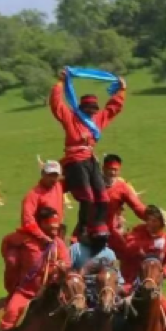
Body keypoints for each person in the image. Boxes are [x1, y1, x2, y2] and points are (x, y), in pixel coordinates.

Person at [50, 69, 127, 240]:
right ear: (82, 108)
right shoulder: (71, 118)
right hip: (75, 161)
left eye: (94, 109)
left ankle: (98, 227)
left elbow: (112, 109)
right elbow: (56, 104)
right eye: (89, 108)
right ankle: (82, 230)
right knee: (87, 198)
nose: (92, 111)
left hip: (90, 160)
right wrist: (60, 83)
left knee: (103, 197)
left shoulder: (97, 120)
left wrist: (121, 90)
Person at [0, 206, 71, 331]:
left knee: (72, 311)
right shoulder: (23, 238)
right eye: (51, 226)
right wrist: (10, 257)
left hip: (51, 291)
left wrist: (61, 267)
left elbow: (66, 262)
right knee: (11, 311)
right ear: (41, 224)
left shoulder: (58, 244)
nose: (54, 229)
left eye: (56, 227)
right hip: (27, 291)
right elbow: (7, 243)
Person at [119, 205, 166, 331]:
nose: (150, 223)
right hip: (130, 282)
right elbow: (127, 248)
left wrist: (161, 272)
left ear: (162, 224)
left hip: (153, 287)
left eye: (155, 221)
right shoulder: (137, 233)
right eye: (149, 219)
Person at [103, 154, 146, 255]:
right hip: (91, 229)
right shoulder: (93, 183)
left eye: (115, 170)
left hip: (111, 231)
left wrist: (152, 217)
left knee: (127, 255)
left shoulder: (122, 187)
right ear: (103, 168)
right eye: (110, 169)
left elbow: (137, 206)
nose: (113, 172)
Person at [20, 161, 65, 243]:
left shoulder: (58, 185)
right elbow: (27, 221)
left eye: (55, 175)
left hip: (57, 238)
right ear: (43, 174)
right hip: (39, 241)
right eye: (50, 175)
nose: (53, 179)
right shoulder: (33, 196)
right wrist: (43, 237)